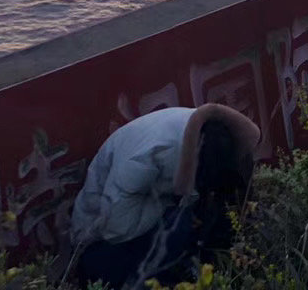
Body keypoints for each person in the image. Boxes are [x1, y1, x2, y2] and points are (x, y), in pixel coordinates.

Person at [70, 104, 260, 289]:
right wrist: (172, 203)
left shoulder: (205, 135)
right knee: (180, 222)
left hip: (141, 224)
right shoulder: (146, 158)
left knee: (197, 218)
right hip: (99, 245)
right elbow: (116, 227)